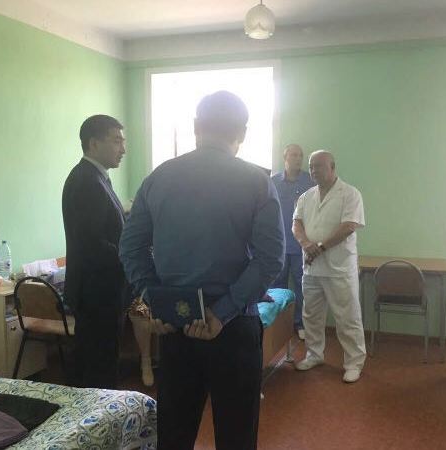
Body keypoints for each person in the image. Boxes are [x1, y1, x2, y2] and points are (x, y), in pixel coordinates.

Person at [119, 90, 284, 450]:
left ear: (196, 126)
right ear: (242, 132)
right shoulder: (257, 181)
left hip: (176, 326)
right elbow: (271, 257)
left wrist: (155, 300)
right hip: (233, 328)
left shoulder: (158, 178)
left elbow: (130, 247)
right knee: (237, 437)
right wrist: (222, 312)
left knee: (174, 435)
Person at [62, 114, 127, 388]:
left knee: (98, 363)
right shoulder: (87, 182)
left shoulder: (97, 178)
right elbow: (92, 244)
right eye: (116, 141)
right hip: (97, 293)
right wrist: (129, 257)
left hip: (102, 291)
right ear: (93, 143)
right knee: (98, 370)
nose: (123, 149)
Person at [292, 150, 367, 383]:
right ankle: (314, 355)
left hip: (339, 268)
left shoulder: (350, 193)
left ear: (332, 167)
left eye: (319, 166)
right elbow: (296, 224)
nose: (313, 170)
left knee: (347, 318)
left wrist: (320, 247)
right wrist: (306, 244)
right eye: (311, 166)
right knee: (311, 315)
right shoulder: (306, 196)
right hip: (312, 267)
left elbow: (349, 226)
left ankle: (354, 363)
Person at [271, 144, 315, 340]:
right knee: (277, 286)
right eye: (294, 154)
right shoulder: (273, 182)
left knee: (301, 285)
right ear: (285, 157)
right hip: (279, 244)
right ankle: (278, 324)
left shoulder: (310, 181)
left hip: (301, 244)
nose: (298, 158)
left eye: (300, 155)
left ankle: (299, 323)